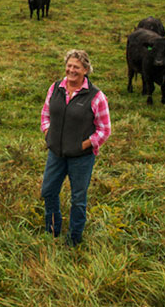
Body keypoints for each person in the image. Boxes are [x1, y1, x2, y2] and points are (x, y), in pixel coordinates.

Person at [40, 49, 112, 247]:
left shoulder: (96, 97)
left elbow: (104, 130)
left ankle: (74, 239)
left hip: (81, 157)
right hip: (56, 153)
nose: (72, 70)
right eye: (69, 66)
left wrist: (84, 145)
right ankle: (53, 230)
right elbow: (46, 114)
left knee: (78, 198)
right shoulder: (55, 88)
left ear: (86, 70)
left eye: (77, 67)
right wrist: (48, 133)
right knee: (48, 191)